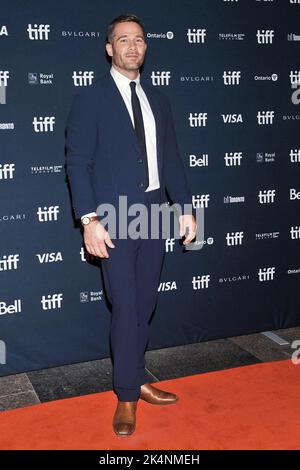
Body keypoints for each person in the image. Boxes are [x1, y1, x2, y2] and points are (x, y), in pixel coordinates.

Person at [65, 13, 197, 437]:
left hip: (155, 212)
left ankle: (136, 376)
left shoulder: (158, 98)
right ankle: (126, 395)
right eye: (123, 40)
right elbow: (77, 163)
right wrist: (88, 220)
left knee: (144, 304)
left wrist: (186, 207)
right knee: (125, 305)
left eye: (138, 39)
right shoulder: (92, 98)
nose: (132, 46)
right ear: (109, 48)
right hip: (115, 215)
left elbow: (172, 158)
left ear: (145, 46)